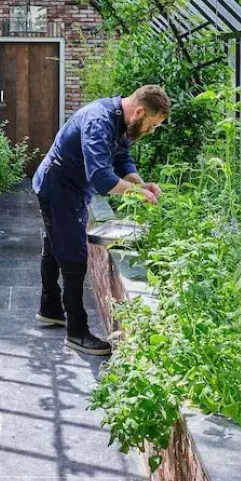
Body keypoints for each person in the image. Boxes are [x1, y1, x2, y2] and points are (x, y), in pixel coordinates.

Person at [32, 85, 170, 355]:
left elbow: (121, 157)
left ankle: (49, 308)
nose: (150, 131)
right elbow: (102, 178)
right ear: (139, 111)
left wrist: (142, 183)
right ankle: (77, 331)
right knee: (73, 256)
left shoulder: (122, 120)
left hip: (68, 186)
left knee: (54, 243)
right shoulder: (99, 120)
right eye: (151, 125)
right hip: (59, 186)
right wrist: (138, 194)